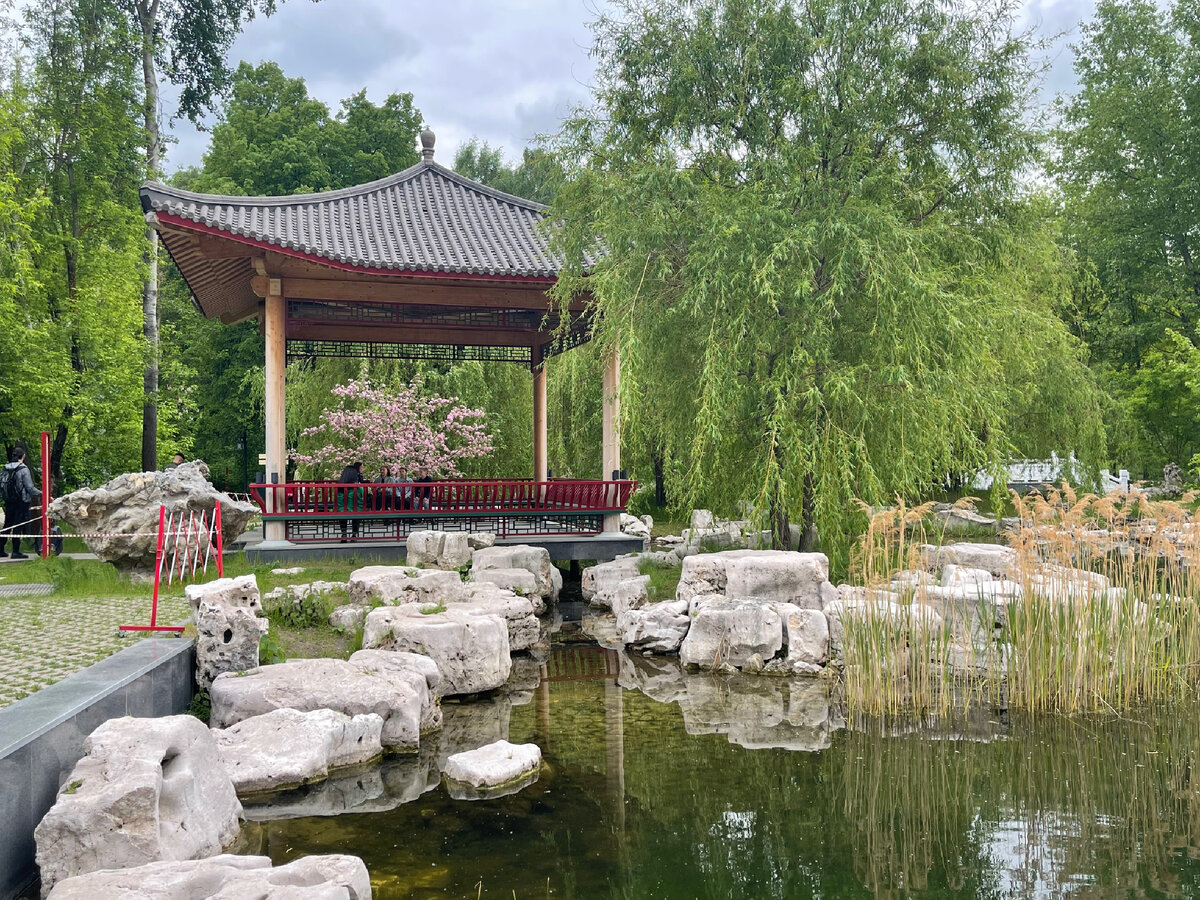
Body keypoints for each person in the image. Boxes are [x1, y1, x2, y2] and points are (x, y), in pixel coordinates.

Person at [1, 447, 43, 559]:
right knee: (18, 525)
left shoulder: (5, 468)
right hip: (21, 500)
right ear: (23, 456)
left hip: (9, 500)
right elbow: (29, 487)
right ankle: (15, 551)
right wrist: (41, 493)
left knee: (7, 524)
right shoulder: (23, 469)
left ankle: (0, 549)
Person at [337, 461, 364, 541]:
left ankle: (344, 534)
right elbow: (360, 501)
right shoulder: (358, 488)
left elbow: (339, 504)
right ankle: (354, 534)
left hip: (342, 511)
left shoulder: (339, 489)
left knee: (342, 514)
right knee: (356, 514)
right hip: (355, 510)